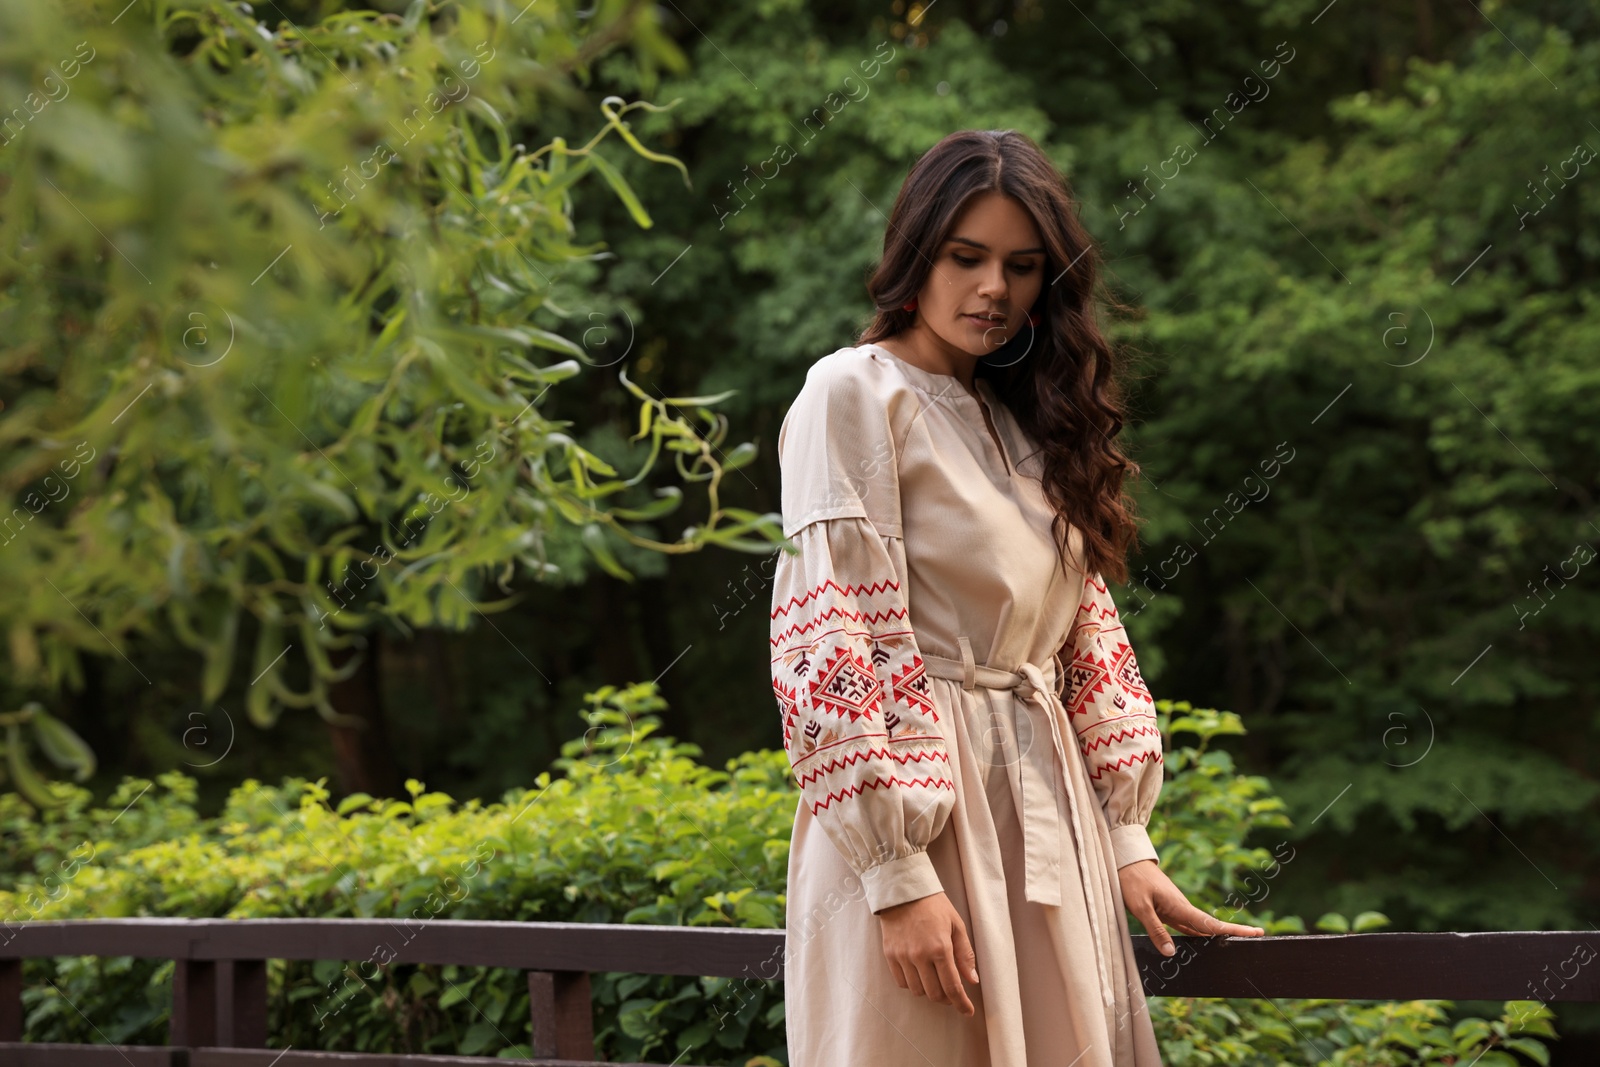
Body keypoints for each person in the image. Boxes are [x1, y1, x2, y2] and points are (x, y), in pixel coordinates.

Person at [767, 129, 1265, 1066]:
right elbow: (827, 640)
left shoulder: (1026, 422)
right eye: (967, 257)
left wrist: (1126, 839)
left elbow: (1084, 641)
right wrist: (897, 874)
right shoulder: (853, 394)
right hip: (924, 822)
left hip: (1052, 821)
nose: (994, 288)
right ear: (917, 252)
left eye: (1023, 266)